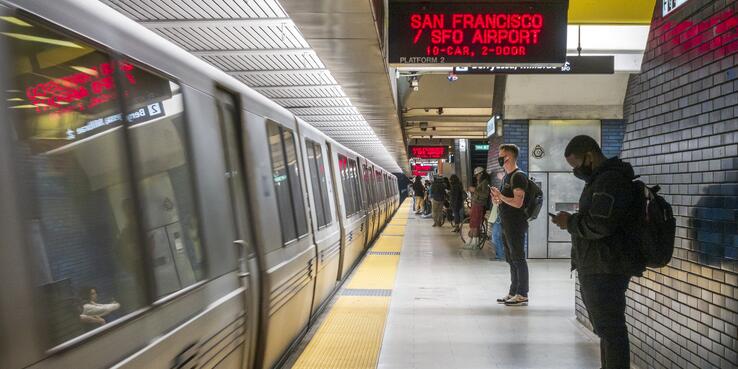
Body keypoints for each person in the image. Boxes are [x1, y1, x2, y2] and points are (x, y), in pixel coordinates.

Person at [551, 135, 644, 369]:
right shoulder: (603, 180)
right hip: (601, 263)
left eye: (577, 165)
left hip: (606, 266)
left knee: (610, 329)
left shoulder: (609, 181)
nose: (577, 171)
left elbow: (601, 225)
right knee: (606, 329)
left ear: (590, 156)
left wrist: (570, 223)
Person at [490, 144, 529, 306]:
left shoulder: (518, 176)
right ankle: (513, 291)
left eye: (501, 155)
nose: (499, 158)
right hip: (506, 222)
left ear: (509, 157)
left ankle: (522, 293)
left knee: (518, 258)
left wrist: (501, 197)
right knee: (511, 259)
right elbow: (506, 200)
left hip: (516, 223)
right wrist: (497, 200)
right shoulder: (506, 176)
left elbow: (518, 202)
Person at [465, 167, 490, 248]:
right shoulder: (480, 181)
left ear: (481, 174)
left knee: (475, 224)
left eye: (477, 175)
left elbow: (485, 195)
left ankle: (474, 243)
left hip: (479, 205)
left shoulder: (485, 182)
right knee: (473, 223)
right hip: (476, 204)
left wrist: (474, 190)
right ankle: (472, 242)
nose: (476, 177)